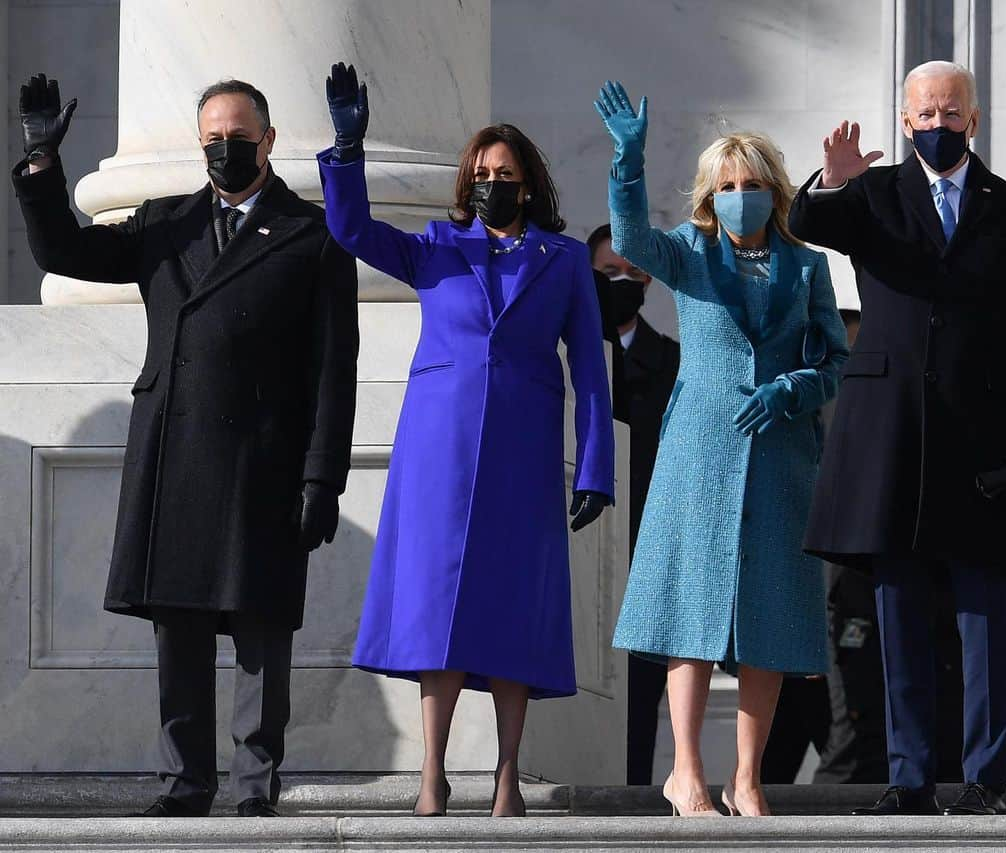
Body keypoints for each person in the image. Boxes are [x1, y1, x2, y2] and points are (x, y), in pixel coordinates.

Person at [12, 74, 359, 817]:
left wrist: (321, 477)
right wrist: (43, 165)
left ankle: (255, 787)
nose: (224, 150)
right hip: (176, 456)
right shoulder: (165, 224)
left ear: (267, 141)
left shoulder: (312, 235)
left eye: (237, 137)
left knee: (263, 628)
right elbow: (62, 251)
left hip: (266, 459)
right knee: (181, 627)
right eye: (212, 139)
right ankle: (184, 782)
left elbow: (334, 367)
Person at [318, 63, 614, 818]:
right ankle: (433, 773)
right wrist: (347, 150)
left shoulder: (567, 258)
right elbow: (350, 229)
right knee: (438, 608)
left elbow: (590, 365)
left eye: (506, 172)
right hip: (438, 452)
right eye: (482, 171)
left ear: (529, 182)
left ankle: (510, 773)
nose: (492, 182)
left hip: (523, 451)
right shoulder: (436, 246)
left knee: (516, 607)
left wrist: (597, 468)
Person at [789, 60, 1006, 816]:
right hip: (890, 432)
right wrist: (834, 179)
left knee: (981, 611)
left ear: (974, 120)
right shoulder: (873, 195)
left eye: (950, 113)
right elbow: (809, 225)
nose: (937, 125)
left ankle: (982, 779)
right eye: (924, 114)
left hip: (981, 434)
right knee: (897, 610)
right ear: (905, 122)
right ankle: (907, 776)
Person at [595, 80, 849, 817]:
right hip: (700, 447)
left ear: (774, 190)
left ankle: (746, 776)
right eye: (729, 184)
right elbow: (632, 239)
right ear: (711, 193)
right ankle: (685, 773)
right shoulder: (690, 251)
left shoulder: (807, 266)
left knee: (768, 612)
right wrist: (628, 163)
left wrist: (793, 390)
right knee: (692, 608)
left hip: (778, 451)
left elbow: (833, 359)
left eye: (754, 183)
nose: (742, 194)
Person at [588, 224, 680, 785]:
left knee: (640, 689)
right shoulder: (565, 356)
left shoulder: (671, 363)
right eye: (607, 274)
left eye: (633, 274)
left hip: (645, 542)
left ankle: (636, 795)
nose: (622, 284)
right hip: (578, 537)